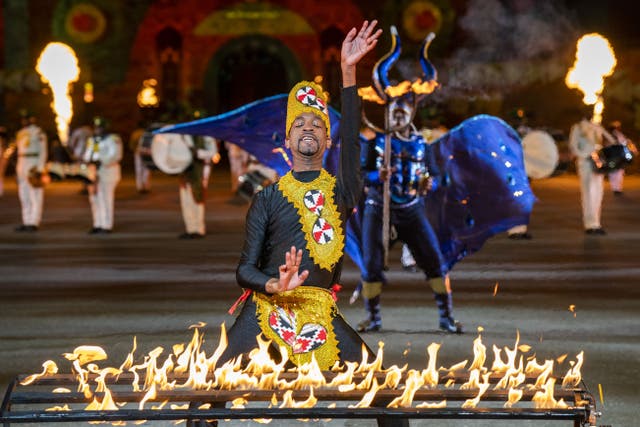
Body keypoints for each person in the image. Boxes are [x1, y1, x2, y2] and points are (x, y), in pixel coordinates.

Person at [221, 20, 382, 371]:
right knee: (209, 391)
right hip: (266, 309)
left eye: (317, 125)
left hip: (320, 312)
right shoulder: (266, 198)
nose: (308, 127)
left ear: (327, 141)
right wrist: (272, 284)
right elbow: (244, 269)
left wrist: (348, 72)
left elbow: (353, 141)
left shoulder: (343, 192)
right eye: (299, 125)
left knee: (378, 382)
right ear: (288, 142)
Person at [357, 99, 462, 334]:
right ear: (387, 115)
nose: (397, 117)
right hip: (379, 210)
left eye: (402, 113)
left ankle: (447, 317)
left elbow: (434, 175)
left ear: (411, 115)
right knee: (371, 266)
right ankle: (372, 318)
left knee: (435, 262)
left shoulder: (421, 144)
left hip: (412, 210)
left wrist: (429, 184)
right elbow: (361, 175)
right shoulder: (375, 142)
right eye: (394, 113)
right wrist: (378, 176)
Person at [568, 116, 610, 235]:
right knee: (589, 194)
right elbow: (573, 145)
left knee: (598, 194)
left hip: (597, 163)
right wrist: (583, 155)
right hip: (585, 163)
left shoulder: (596, 126)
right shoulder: (578, 127)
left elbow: (604, 142)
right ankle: (590, 225)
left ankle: (596, 223)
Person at [83, 116, 123, 234]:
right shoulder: (93, 140)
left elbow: (116, 155)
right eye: (96, 127)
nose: (97, 130)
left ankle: (106, 225)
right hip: (93, 172)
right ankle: (97, 223)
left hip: (107, 172)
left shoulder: (113, 139)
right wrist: (87, 160)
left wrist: (101, 160)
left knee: (105, 198)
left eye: (100, 127)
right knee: (94, 198)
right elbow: (88, 154)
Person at [178, 133, 219, 239]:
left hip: (200, 169)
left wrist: (197, 153)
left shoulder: (206, 136)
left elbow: (213, 153)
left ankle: (199, 229)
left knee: (197, 197)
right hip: (186, 169)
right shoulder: (183, 134)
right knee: (185, 198)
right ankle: (190, 228)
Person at [14, 111, 47, 232]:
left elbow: (43, 151)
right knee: (24, 194)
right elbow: (18, 152)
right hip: (22, 163)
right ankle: (26, 220)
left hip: (33, 162)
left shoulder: (38, 132)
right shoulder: (20, 133)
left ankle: (34, 221)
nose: (24, 121)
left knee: (35, 194)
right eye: (22, 119)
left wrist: (40, 168)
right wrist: (17, 170)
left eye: (26, 118)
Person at [606, 120, 634, 196]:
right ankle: (617, 189)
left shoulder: (609, 134)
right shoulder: (616, 134)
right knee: (618, 172)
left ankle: (616, 188)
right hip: (617, 155)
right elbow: (623, 142)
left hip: (613, 155)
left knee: (614, 172)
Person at [129, 122, 152, 194]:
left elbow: (131, 144)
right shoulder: (147, 133)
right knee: (146, 170)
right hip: (146, 152)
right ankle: (146, 186)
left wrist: (135, 150)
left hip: (138, 152)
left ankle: (140, 187)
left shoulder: (135, 133)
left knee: (139, 170)